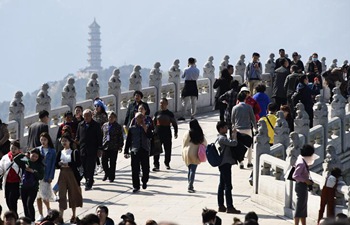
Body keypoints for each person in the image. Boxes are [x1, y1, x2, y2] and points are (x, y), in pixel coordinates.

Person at [56, 134, 83, 224]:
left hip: (72, 174)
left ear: (69, 142)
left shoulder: (74, 152)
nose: (64, 142)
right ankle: (61, 216)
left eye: (65, 141)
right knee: (62, 195)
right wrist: (59, 164)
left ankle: (74, 215)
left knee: (73, 195)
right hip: (62, 174)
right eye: (62, 141)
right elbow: (56, 164)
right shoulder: (60, 152)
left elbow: (78, 163)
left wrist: (69, 164)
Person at [124, 112, 152, 193]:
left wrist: (145, 128)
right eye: (138, 118)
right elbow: (128, 141)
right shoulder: (132, 129)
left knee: (146, 169)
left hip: (144, 149)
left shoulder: (147, 127)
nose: (140, 119)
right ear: (135, 119)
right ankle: (136, 186)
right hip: (135, 150)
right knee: (135, 169)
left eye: (141, 118)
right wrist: (126, 151)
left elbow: (150, 136)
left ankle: (144, 181)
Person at [216, 121, 241, 214]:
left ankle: (221, 206)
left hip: (223, 163)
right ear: (221, 128)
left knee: (222, 185)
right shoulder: (222, 138)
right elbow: (234, 143)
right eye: (225, 127)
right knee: (228, 186)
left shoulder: (220, 137)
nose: (227, 129)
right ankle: (230, 207)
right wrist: (234, 135)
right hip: (225, 164)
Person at [14, 148, 44, 222]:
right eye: (32, 155)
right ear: (29, 154)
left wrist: (33, 171)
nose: (34, 158)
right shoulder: (25, 162)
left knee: (29, 204)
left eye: (36, 157)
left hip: (33, 187)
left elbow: (41, 177)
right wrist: (24, 154)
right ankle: (27, 220)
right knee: (25, 204)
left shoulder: (39, 165)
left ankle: (32, 220)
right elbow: (15, 159)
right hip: (23, 186)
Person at [76, 109, 102, 191]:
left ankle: (89, 182)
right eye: (85, 116)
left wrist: (99, 149)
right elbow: (78, 136)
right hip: (82, 149)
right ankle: (88, 178)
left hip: (92, 150)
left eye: (88, 116)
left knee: (90, 167)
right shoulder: (80, 125)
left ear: (91, 116)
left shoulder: (96, 125)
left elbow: (99, 138)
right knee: (83, 167)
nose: (86, 117)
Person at [231, 92, 257, 169]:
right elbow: (253, 119)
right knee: (249, 146)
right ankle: (249, 162)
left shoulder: (234, 108)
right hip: (248, 129)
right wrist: (255, 128)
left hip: (238, 129)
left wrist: (233, 128)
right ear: (245, 99)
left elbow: (232, 120)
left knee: (239, 147)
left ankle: (241, 162)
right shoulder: (249, 107)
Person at [292, 144, 317, 225]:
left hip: (303, 185)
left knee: (303, 206)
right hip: (301, 185)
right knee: (300, 207)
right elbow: (295, 175)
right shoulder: (301, 163)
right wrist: (306, 181)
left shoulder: (301, 159)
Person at [182, 119, 207, 193]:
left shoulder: (188, 133)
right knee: (193, 169)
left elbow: (184, 142)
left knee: (189, 169)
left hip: (188, 152)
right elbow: (205, 143)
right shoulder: (200, 133)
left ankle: (189, 184)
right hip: (195, 152)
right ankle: (190, 185)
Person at [153, 98, 178, 171]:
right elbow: (154, 122)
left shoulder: (169, 114)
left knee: (168, 149)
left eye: (163, 103)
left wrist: (175, 132)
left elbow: (174, 123)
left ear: (167, 104)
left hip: (167, 133)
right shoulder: (157, 113)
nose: (161, 105)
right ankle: (156, 165)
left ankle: (167, 163)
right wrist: (154, 130)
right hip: (158, 133)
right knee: (156, 150)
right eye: (160, 103)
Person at [36, 132, 56, 222]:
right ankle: (40, 214)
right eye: (41, 140)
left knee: (45, 196)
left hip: (46, 176)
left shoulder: (52, 151)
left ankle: (48, 209)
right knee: (38, 196)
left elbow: (53, 165)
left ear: (48, 140)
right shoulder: (37, 150)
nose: (43, 141)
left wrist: (51, 176)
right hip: (37, 176)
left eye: (44, 140)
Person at [0, 140, 22, 216]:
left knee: (12, 201)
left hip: (16, 183)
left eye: (15, 148)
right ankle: (13, 216)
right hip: (7, 183)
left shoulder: (22, 158)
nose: (13, 150)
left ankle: (14, 217)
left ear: (19, 149)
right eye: (12, 148)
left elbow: (25, 168)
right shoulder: (5, 157)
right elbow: (1, 168)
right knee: (8, 202)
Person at [101, 111, 124, 182]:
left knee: (112, 162)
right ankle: (106, 173)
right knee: (104, 162)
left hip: (114, 146)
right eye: (109, 117)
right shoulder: (104, 125)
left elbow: (120, 136)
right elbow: (102, 135)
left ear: (115, 118)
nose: (110, 118)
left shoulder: (118, 126)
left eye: (112, 117)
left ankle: (111, 177)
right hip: (105, 146)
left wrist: (120, 146)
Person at [93, 98, 108, 175]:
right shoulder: (93, 115)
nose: (96, 107)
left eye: (98, 106)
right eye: (95, 105)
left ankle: (101, 165)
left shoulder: (104, 115)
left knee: (101, 151)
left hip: (102, 135)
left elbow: (105, 126)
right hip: (94, 135)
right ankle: (95, 167)